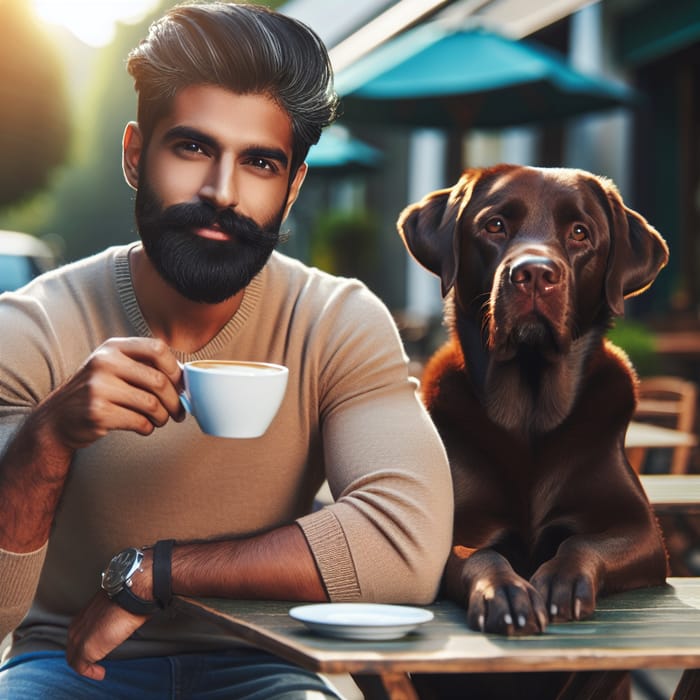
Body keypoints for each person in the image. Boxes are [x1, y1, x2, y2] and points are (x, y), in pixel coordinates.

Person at [0, 3, 453, 698]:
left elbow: (405, 546)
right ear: (134, 154)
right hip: (67, 668)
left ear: (294, 186)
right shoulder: (31, 327)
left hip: (275, 667)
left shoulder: (335, 321)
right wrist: (48, 438)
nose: (222, 192)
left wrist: (157, 574)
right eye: (192, 148)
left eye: (261, 163)